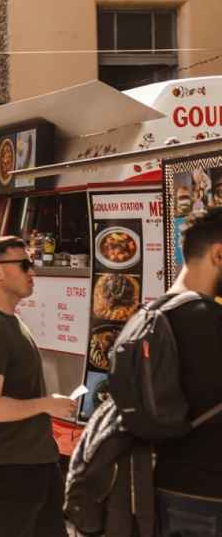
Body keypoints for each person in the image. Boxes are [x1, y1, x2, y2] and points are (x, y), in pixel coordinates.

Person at [0, 236, 74, 537]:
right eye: (24, 265)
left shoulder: (7, 321)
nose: (32, 272)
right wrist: (48, 404)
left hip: (35, 461)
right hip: (11, 467)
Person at [155, 209, 222, 533]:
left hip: (160, 487)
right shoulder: (213, 321)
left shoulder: (146, 316)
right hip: (210, 496)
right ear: (219, 254)